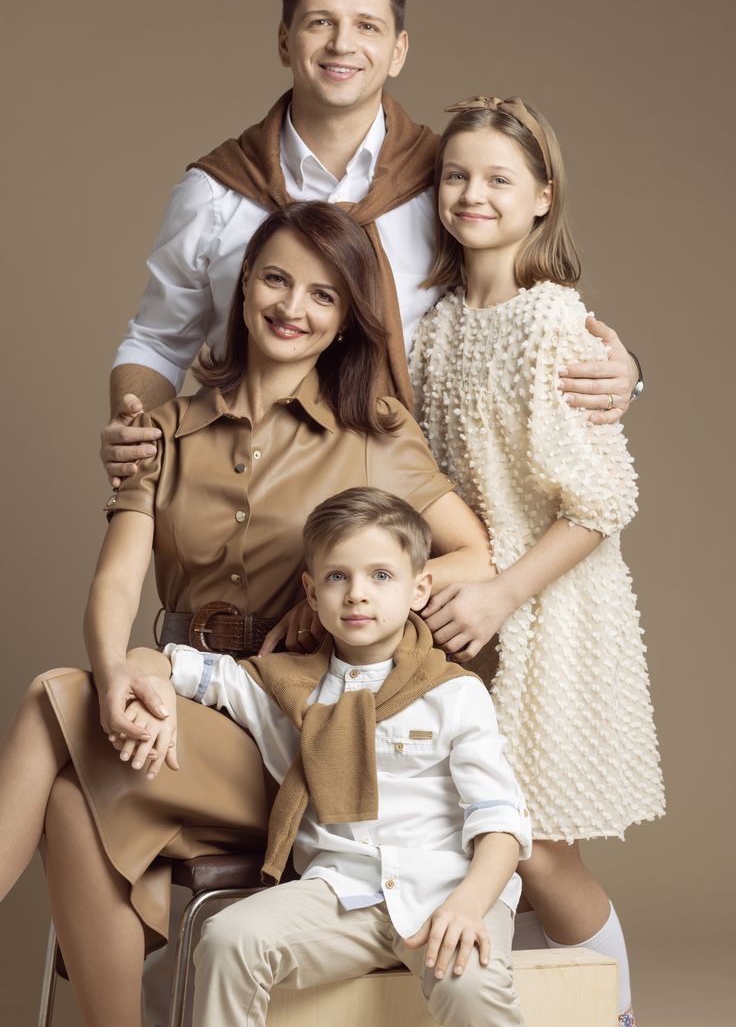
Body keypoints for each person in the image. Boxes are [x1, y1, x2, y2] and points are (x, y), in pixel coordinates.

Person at [0, 202, 495, 1027]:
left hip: (291, 730)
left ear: (346, 322)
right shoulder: (166, 433)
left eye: (323, 296)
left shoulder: (373, 435)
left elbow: (473, 556)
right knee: (65, 799)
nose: (291, 309)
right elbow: (118, 582)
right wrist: (128, 675)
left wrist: (335, 613)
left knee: (57, 691)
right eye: (275, 279)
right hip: (174, 700)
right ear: (242, 289)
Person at [101, 0, 641, 502]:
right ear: (285, 41)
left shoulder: (446, 182)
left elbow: (516, 310)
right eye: (319, 22)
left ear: (399, 50)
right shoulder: (213, 193)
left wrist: (623, 369)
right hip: (245, 498)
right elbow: (158, 341)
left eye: (367, 26)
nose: (342, 45)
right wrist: (134, 427)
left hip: (405, 508)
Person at [410, 95, 665, 1027]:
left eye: (499, 179)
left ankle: (618, 1014)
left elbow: (603, 502)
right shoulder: (434, 327)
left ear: (543, 200)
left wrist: (502, 592)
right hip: (467, 614)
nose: (473, 194)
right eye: (456, 175)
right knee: (475, 838)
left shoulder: (553, 322)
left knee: (536, 848)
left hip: (548, 612)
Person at [118, 486, 532, 1026]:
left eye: (381, 576)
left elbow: (500, 821)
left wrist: (469, 903)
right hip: (340, 894)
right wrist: (141, 671)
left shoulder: (454, 693)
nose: (358, 594)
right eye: (339, 577)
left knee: (470, 988)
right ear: (311, 594)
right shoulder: (284, 688)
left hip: (448, 893)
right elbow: (186, 668)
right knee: (226, 940)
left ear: (418, 587)